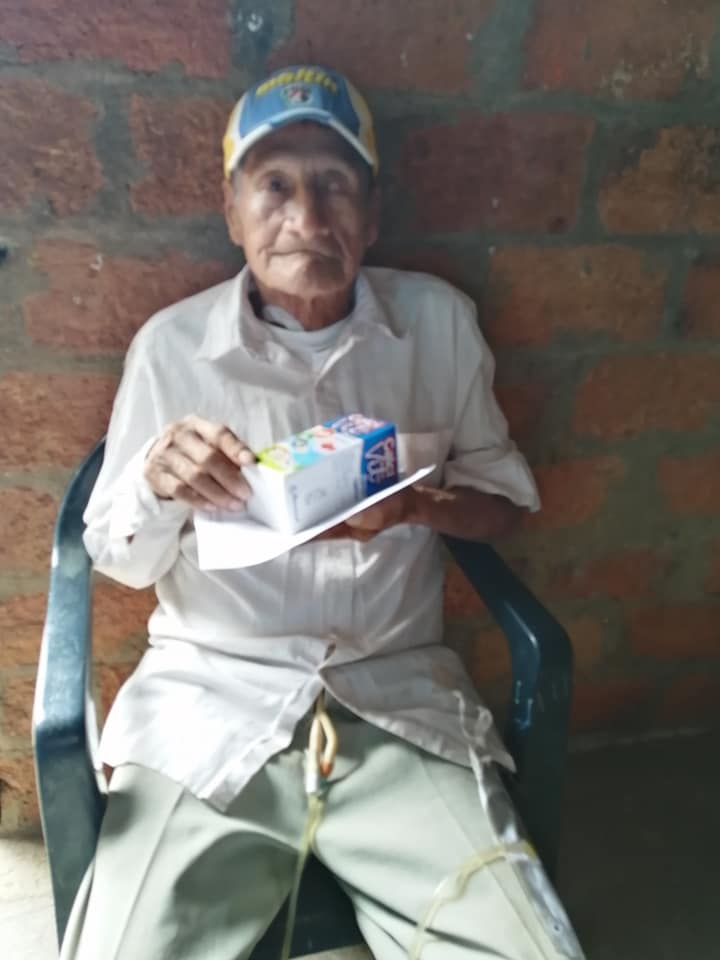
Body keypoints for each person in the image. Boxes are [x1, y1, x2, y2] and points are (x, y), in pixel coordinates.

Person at [62, 64, 585, 960]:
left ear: (372, 214)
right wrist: (155, 478)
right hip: (212, 705)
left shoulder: (437, 325)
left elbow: (505, 502)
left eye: (335, 185)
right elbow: (118, 557)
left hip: (395, 698)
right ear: (232, 214)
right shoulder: (173, 348)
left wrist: (417, 503)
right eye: (274, 186)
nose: (307, 218)